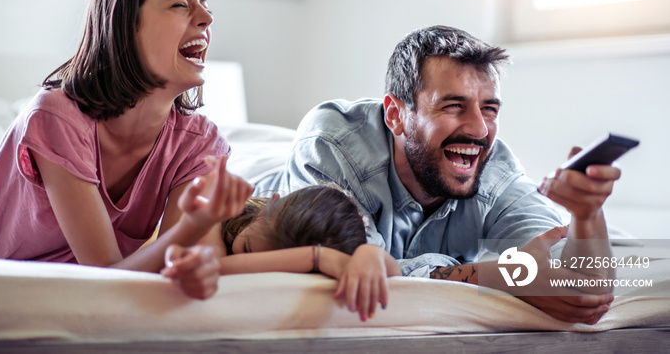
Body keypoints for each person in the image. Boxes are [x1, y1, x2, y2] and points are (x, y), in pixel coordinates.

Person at [256, 25, 622, 324]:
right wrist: (499, 276)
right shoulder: (331, 146)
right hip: (257, 180)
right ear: (395, 115)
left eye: (489, 109)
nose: (479, 130)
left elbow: (584, 292)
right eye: (453, 106)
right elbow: (351, 266)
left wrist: (587, 215)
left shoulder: (498, 176)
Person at [0, 0, 253, 300]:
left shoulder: (200, 143)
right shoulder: (58, 116)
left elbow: (177, 260)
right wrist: (192, 228)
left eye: (205, 8)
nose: (206, 19)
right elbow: (104, 276)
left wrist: (198, 266)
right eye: (181, 5)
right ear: (124, 27)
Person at [163, 183, 402, 321]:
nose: (246, 263)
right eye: (246, 249)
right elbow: (218, 270)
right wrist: (316, 257)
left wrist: (369, 254)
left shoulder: (338, 257)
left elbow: (396, 274)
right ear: (268, 205)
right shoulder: (216, 218)